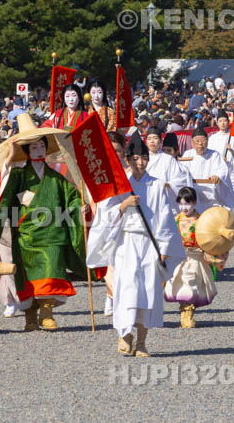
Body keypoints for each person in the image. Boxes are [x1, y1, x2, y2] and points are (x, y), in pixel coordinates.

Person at [85, 132, 185, 357]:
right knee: (126, 289)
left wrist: (164, 250)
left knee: (148, 291)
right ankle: (124, 334)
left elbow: (165, 217)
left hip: (150, 243)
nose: (140, 163)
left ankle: (141, 342)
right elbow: (104, 215)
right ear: (128, 159)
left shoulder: (158, 185)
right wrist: (123, 205)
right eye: (136, 158)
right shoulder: (120, 184)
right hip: (126, 242)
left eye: (144, 158)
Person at [0, 123, 87, 332]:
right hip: (26, 235)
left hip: (52, 234)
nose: (39, 150)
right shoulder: (18, 175)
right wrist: (8, 158)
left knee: (51, 268)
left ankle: (47, 313)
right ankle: (30, 316)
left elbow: (71, 198)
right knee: (27, 277)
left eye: (41, 146)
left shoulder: (56, 178)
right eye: (33, 147)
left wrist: (80, 207)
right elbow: (0, 189)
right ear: (27, 151)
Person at [164, 187, 225, 328]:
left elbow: (210, 237)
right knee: (181, 284)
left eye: (188, 203)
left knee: (193, 284)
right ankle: (185, 311)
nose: (184, 207)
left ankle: (188, 312)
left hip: (196, 256)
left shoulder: (202, 221)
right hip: (179, 257)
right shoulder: (175, 220)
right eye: (181, 203)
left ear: (195, 203)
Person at [182, 126, 233, 211]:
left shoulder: (214, 155)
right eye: (197, 141)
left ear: (207, 141)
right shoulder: (187, 155)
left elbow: (222, 169)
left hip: (211, 195)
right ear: (192, 142)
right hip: (193, 194)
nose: (200, 144)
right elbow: (182, 171)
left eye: (203, 140)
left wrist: (217, 176)